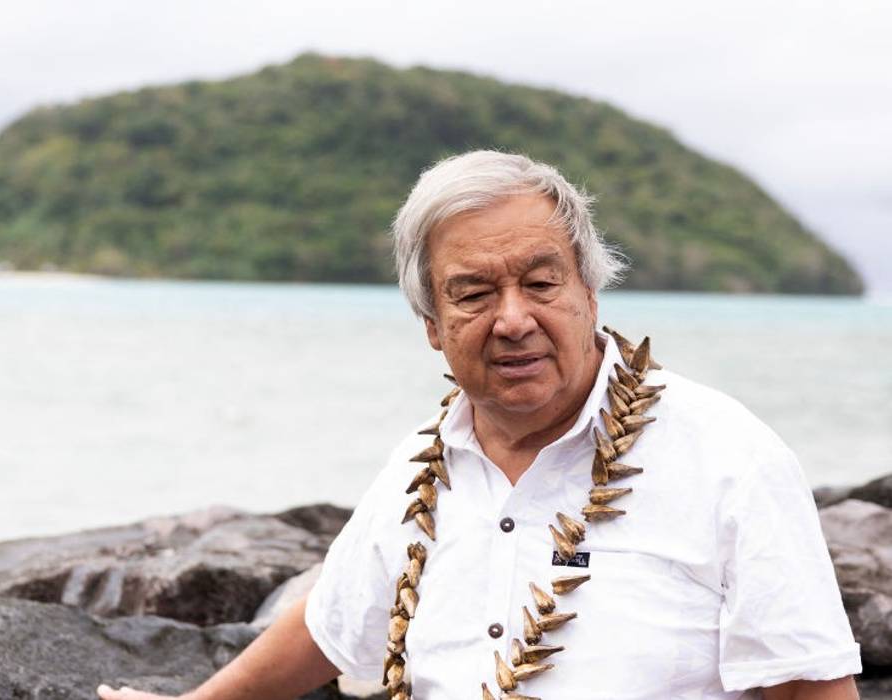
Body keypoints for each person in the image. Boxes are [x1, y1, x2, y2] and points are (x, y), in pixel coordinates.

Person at [97, 151, 861, 699]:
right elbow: (332, 627)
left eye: (539, 282)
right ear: (432, 324)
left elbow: (808, 687)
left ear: (589, 295)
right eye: (471, 294)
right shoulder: (421, 466)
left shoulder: (728, 457)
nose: (512, 320)